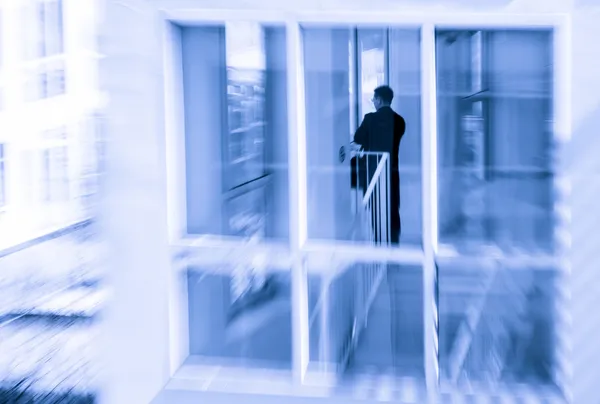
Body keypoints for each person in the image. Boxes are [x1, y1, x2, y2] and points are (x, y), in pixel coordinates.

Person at [352, 85, 405, 244]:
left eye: (374, 99)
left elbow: (358, 138)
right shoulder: (399, 121)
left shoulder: (370, 119)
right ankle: (394, 245)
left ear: (380, 100)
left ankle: (379, 244)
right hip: (392, 171)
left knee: (376, 209)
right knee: (393, 208)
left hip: (373, 172)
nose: (373, 102)